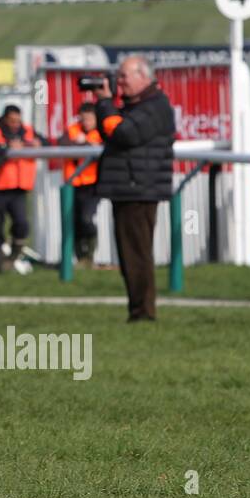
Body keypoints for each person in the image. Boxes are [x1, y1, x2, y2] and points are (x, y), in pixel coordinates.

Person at [93, 56, 175, 322]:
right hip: (130, 187)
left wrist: (106, 103)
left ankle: (142, 313)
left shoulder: (154, 106)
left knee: (137, 254)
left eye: (125, 76)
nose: (120, 82)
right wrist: (106, 105)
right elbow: (110, 131)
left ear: (143, 76)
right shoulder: (136, 106)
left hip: (139, 189)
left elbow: (123, 134)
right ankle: (138, 310)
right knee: (130, 255)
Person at [0, 105, 43, 273]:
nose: (15, 124)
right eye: (12, 120)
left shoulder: (28, 131)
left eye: (18, 120)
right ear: (5, 119)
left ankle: (14, 256)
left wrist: (38, 143)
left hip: (18, 188)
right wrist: (7, 148)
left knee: (21, 224)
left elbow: (45, 141)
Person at [57, 101, 102, 265]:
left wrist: (85, 144)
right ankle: (79, 258)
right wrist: (82, 143)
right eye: (83, 119)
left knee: (86, 218)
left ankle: (88, 255)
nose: (86, 123)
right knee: (73, 220)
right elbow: (62, 143)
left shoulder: (101, 132)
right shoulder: (72, 130)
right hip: (73, 183)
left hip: (92, 184)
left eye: (90, 119)